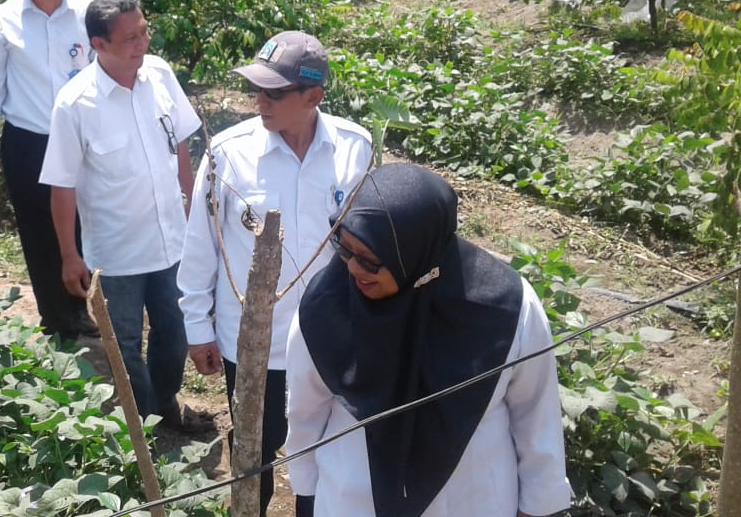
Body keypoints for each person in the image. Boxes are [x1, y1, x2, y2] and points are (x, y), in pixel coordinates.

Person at [286, 162, 570, 517]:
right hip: (354, 499)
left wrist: (537, 505)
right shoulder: (325, 308)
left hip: (475, 499)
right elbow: (305, 412)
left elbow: (535, 414)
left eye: (370, 260)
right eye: (344, 250)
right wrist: (306, 492)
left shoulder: (506, 307)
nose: (353, 269)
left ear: (416, 254)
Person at [178, 30, 372, 516]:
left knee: (327, 451)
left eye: (274, 93)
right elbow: (201, 244)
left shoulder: (355, 149)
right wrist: (198, 328)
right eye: (256, 89)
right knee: (253, 450)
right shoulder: (228, 153)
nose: (259, 102)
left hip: (331, 340)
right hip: (252, 344)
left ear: (313, 97)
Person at [40, 0, 203, 422]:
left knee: (176, 330)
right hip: (116, 255)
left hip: (171, 240)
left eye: (144, 32)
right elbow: (62, 185)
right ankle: (144, 427)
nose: (142, 44)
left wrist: (194, 206)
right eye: (130, 38)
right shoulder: (75, 104)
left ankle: (164, 403)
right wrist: (70, 255)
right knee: (125, 343)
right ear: (99, 44)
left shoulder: (160, 75)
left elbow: (179, 145)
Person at [0, 0, 97, 340]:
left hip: (81, 140)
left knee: (84, 226)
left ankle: (82, 308)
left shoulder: (87, 11)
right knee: (38, 231)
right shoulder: (4, 19)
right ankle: (55, 319)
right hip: (28, 141)